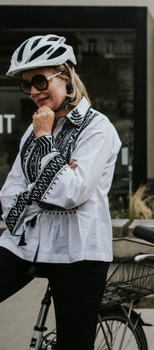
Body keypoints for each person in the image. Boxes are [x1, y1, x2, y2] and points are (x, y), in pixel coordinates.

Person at [0, 34, 121, 350]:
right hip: (27, 241)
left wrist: (44, 140)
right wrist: (45, 189)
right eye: (27, 85)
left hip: (78, 251)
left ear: (65, 77)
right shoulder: (37, 126)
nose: (35, 92)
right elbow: (11, 189)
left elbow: (72, 192)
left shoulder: (98, 128)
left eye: (40, 81)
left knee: (74, 344)